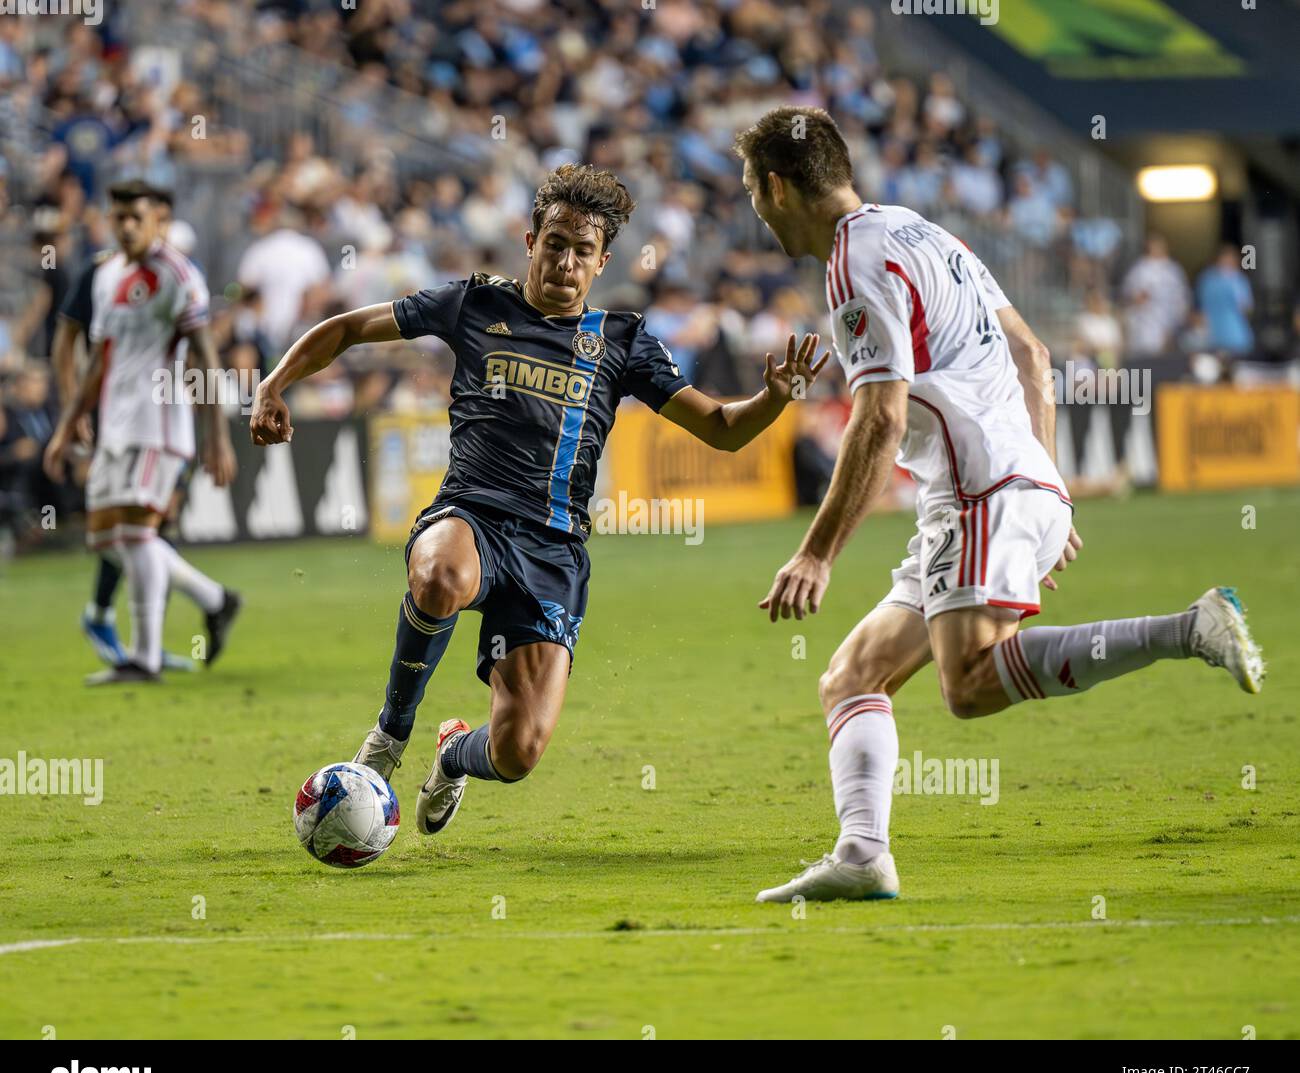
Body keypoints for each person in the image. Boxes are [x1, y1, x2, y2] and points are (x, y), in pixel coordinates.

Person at [733, 107, 1264, 903]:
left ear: (776, 187)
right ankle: (861, 855)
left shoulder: (854, 265)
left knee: (968, 686)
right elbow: (1032, 352)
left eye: (751, 190)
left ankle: (1189, 628)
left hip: (979, 492)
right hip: (1000, 488)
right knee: (852, 675)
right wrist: (1044, 483)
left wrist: (817, 552)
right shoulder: (923, 232)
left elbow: (878, 417)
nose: (753, 207)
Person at [249, 163, 827, 836]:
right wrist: (273, 385)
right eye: (555, 243)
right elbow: (348, 328)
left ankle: (452, 756)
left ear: (602, 261)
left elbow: (723, 430)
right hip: (470, 515)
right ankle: (390, 733)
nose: (566, 261)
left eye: (583, 251)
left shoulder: (620, 341)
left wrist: (774, 400)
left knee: (518, 752)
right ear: (531, 242)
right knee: (440, 575)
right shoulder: (476, 303)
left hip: (552, 549)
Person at [43, 180, 241, 684]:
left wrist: (216, 436)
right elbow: (98, 359)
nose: (128, 226)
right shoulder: (107, 275)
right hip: (114, 425)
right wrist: (67, 425)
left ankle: (145, 658)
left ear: (156, 220)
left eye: (138, 217)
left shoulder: (177, 273)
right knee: (107, 538)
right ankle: (215, 600)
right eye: (119, 217)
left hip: (159, 423)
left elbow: (204, 354)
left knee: (133, 535)